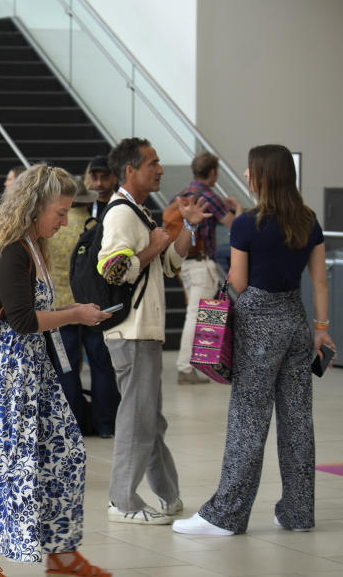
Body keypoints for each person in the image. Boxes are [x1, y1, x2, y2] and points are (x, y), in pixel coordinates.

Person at [0, 164, 112, 577]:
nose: (65, 220)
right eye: (60, 212)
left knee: (63, 455)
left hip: (31, 372)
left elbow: (32, 316)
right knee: (3, 464)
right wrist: (73, 315)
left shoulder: (32, 246)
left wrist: (70, 313)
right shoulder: (13, 249)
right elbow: (22, 320)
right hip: (8, 376)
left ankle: (61, 554)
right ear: (34, 207)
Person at [173, 144, 335, 536]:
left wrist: (225, 286)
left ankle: (226, 515)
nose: (245, 175)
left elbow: (240, 283)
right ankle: (297, 513)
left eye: (249, 170)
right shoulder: (308, 220)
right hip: (296, 321)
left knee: (248, 419)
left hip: (258, 323)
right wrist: (321, 328)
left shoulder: (248, 224)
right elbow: (317, 280)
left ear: (263, 175)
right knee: (297, 419)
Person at [100, 137, 210, 524]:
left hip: (144, 332)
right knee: (136, 420)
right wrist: (152, 247)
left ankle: (169, 495)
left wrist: (185, 229)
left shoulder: (141, 212)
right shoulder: (121, 214)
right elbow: (112, 269)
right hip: (131, 333)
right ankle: (122, 502)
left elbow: (167, 264)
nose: (160, 169)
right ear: (130, 170)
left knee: (149, 420)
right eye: (153, 163)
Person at [49, 177, 120, 438]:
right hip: (91, 305)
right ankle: (105, 423)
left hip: (61, 309)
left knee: (66, 367)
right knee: (101, 365)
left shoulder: (54, 229)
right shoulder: (94, 227)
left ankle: (73, 423)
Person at [173, 153, 244, 385]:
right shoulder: (208, 196)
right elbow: (235, 225)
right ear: (212, 172)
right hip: (202, 264)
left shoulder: (184, 193)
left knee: (205, 314)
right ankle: (186, 368)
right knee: (198, 315)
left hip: (185, 262)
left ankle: (205, 364)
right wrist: (239, 209)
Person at [86, 155, 117, 219]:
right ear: (89, 179)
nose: (99, 183)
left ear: (114, 178)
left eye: (104, 178)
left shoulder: (121, 205)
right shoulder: (84, 206)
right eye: (95, 178)